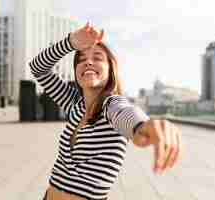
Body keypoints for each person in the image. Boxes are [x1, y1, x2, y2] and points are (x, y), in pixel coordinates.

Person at [29, 21, 182, 200]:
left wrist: (144, 126)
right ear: (76, 71)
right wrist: (70, 43)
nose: (88, 62)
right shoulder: (74, 104)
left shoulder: (111, 105)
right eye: (81, 59)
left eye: (97, 57)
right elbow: (38, 68)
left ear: (111, 70)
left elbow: (126, 114)